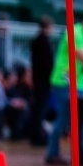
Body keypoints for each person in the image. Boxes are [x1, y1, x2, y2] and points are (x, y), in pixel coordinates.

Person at [45, 9, 83, 166]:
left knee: (81, 121)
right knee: (63, 119)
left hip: (81, 85)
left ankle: (80, 155)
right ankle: (52, 154)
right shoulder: (75, 32)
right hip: (64, 82)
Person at [29, 15, 54, 146]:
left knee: (38, 109)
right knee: (40, 109)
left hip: (38, 79)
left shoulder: (37, 41)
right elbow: (46, 64)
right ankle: (37, 136)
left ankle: (36, 134)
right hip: (43, 81)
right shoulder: (43, 42)